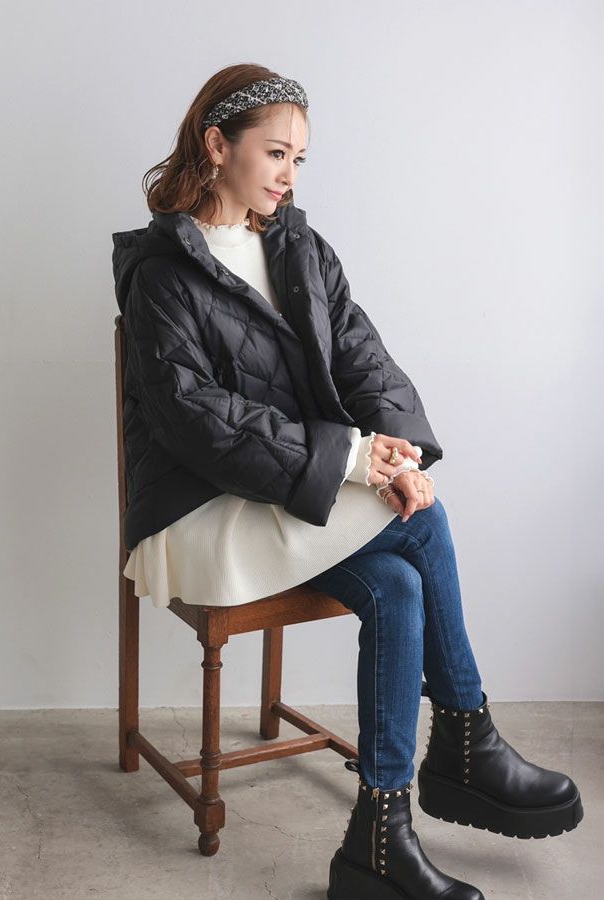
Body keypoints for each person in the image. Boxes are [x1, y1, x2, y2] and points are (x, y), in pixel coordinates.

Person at [111, 64, 583, 900]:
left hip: (289, 499)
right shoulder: (162, 272)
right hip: (201, 512)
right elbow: (198, 422)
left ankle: (378, 839)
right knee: (420, 526)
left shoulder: (299, 248)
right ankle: (465, 741)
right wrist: (358, 464)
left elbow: (365, 360)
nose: (289, 175)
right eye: (275, 153)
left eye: (299, 159)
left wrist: (398, 452)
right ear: (217, 146)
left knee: (398, 583)